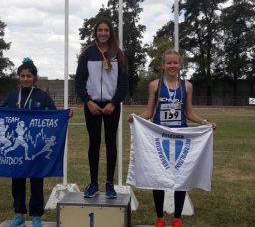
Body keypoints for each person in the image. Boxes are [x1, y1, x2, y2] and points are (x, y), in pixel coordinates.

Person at [127, 49, 216, 227]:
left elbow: (189, 113)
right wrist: (137, 118)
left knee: (181, 177)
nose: (172, 66)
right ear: (163, 65)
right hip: (159, 137)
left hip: (181, 137)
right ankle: (159, 217)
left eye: (175, 63)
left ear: (180, 65)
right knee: (157, 175)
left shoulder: (187, 86)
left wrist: (205, 122)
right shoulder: (154, 85)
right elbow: (149, 112)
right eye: (169, 63)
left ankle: (177, 218)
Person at [0, 57, 72, 227]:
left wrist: (64, 115)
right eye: (22, 76)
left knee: (36, 182)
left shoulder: (43, 96)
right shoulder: (12, 97)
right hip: (17, 148)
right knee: (17, 181)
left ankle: (36, 216)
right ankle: (19, 214)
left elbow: (54, 117)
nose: (25, 79)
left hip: (35, 146)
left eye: (29, 76)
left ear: (34, 78)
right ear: (19, 77)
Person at [75, 18, 128, 199]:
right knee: (94, 143)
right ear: (95, 32)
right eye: (100, 30)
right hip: (92, 105)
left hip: (112, 106)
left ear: (110, 32)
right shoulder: (88, 53)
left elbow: (123, 83)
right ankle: (94, 183)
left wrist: (114, 103)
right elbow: (79, 81)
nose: (103, 33)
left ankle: (109, 184)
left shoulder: (118, 54)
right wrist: (88, 101)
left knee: (111, 143)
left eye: (106, 30)